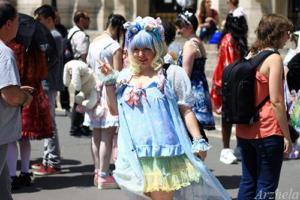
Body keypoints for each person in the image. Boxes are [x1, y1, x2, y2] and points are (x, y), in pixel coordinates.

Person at [102, 16, 230, 200]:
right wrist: (108, 82)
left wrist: (198, 139)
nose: (141, 54)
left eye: (147, 48)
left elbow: (186, 109)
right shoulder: (125, 77)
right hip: (135, 153)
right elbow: (115, 111)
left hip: (164, 153)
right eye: (136, 49)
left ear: (157, 47)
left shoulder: (171, 74)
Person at [236, 14, 293, 200]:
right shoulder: (274, 58)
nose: (288, 38)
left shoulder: (250, 54)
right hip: (268, 129)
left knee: (248, 181)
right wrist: (287, 135)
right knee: (266, 186)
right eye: (286, 33)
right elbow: (276, 101)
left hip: (245, 129)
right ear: (277, 34)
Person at [85, 14, 126, 189]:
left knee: (96, 135)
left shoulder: (94, 42)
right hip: (108, 93)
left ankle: (97, 172)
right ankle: (104, 174)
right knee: (107, 136)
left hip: (94, 92)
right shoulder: (114, 46)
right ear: (118, 28)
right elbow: (117, 74)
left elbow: (88, 66)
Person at [6, 37, 53, 189]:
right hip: (33, 92)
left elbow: (12, 72)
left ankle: (12, 176)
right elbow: (43, 71)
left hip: (17, 91)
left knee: (12, 137)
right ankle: (25, 173)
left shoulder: (13, 47)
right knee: (24, 137)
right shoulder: (34, 46)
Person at [0, 1, 33, 199]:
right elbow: (10, 96)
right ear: (9, 23)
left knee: (4, 189)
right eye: (18, 21)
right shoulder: (4, 53)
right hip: (1, 131)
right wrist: (25, 97)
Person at [210, 10, 248, 165]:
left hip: (238, 81)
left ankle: (240, 146)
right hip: (227, 82)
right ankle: (225, 149)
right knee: (227, 117)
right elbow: (227, 64)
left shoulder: (240, 39)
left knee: (239, 114)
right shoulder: (227, 40)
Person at [32, 4, 64, 175]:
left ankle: (53, 161)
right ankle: (47, 159)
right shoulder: (49, 35)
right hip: (46, 83)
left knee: (49, 123)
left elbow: (48, 59)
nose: (37, 23)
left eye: (40, 20)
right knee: (47, 122)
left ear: (49, 19)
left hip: (48, 83)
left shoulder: (54, 36)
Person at [176, 11, 214, 142]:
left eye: (180, 26)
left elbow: (185, 75)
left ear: (190, 27)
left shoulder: (189, 45)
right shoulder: (198, 42)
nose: (178, 30)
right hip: (200, 89)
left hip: (192, 92)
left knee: (192, 132)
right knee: (196, 131)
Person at [68, 10, 91, 137]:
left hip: (73, 68)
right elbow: (84, 55)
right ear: (81, 20)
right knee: (81, 98)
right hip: (81, 70)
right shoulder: (81, 35)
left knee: (80, 98)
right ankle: (77, 126)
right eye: (88, 19)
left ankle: (78, 125)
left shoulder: (71, 32)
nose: (89, 22)